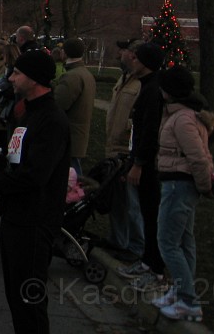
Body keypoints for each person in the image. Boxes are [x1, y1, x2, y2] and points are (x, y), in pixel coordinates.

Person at [0, 48, 70, 334]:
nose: (12, 78)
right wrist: (1, 163)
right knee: (15, 296)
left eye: (17, 73)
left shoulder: (51, 120)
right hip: (16, 216)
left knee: (29, 301)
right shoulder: (26, 113)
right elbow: (21, 160)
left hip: (35, 221)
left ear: (35, 79)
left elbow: (35, 175)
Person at [153, 66, 214, 323]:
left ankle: (188, 300)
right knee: (184, 240)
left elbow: (198, 157)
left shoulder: (182, 120)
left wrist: (204, 185)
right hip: (180, 183)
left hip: (179, 184)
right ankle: (179, 290)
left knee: (167, 241)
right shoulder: (185, 116)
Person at [117, 43, 168, 291]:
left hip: (150, 165)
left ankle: (156, 267)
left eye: (136, 59)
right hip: (141, 157)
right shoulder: (147, 87)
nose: (131, 61)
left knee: (152, 214)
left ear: (145, 62)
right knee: (148, 214)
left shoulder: (152, 91)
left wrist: (139, 163)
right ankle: (147, 261)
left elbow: (149, 131)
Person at [105, 38, 145, 259]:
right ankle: (118, 240)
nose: (120, 54)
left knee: (132, 204)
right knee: (117, 201)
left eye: (124, 51)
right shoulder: (125, 79)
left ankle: (135, 246)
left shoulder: (141, 84)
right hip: (113, 147)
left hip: (127, 149)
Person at [53, 37, 96, 175]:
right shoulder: (86, 74)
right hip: (79, 134)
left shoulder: (72, 76)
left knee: (71, 176)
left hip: (70, 135)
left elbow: (58, 104)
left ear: (64, 52)